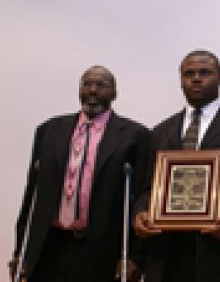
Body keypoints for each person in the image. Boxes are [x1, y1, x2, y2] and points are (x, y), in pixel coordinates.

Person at [134, 50, 220, 282]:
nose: (196, 78)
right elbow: (147, 187)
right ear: (181, 81)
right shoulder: (159, 132)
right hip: (167, 257)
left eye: (205, 72)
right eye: (189, 74)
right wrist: (140, 214)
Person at [10, 65, 149, 282]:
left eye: (101, 85)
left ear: (114, 94)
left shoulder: (135, 136)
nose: (93, 90)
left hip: (100, 249)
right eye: (86, 84)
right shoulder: (49, 130)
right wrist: (20, 251)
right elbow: (31, 196)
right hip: (49, 246)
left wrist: (136, 257)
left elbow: (141, 197)